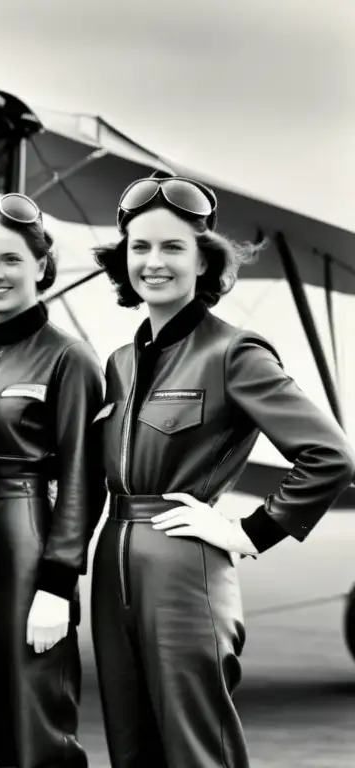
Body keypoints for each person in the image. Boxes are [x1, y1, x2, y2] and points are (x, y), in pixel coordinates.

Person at [91, 175, 355, 768]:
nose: (153, 262)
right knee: (131, 746)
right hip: (113, 565)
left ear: (203, 261)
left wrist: (251, 531)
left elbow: (331, 456)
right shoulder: (121, 363)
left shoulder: (234, 352)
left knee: (197, 747)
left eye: (172, 248)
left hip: (184, 567)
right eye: (140, 247)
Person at [0, 193, 104, 768]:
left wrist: (59, 580)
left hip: (27, 535)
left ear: (40, 265)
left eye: (10, 259)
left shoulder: (70, 358)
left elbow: (85, 476)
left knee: (38, 713)